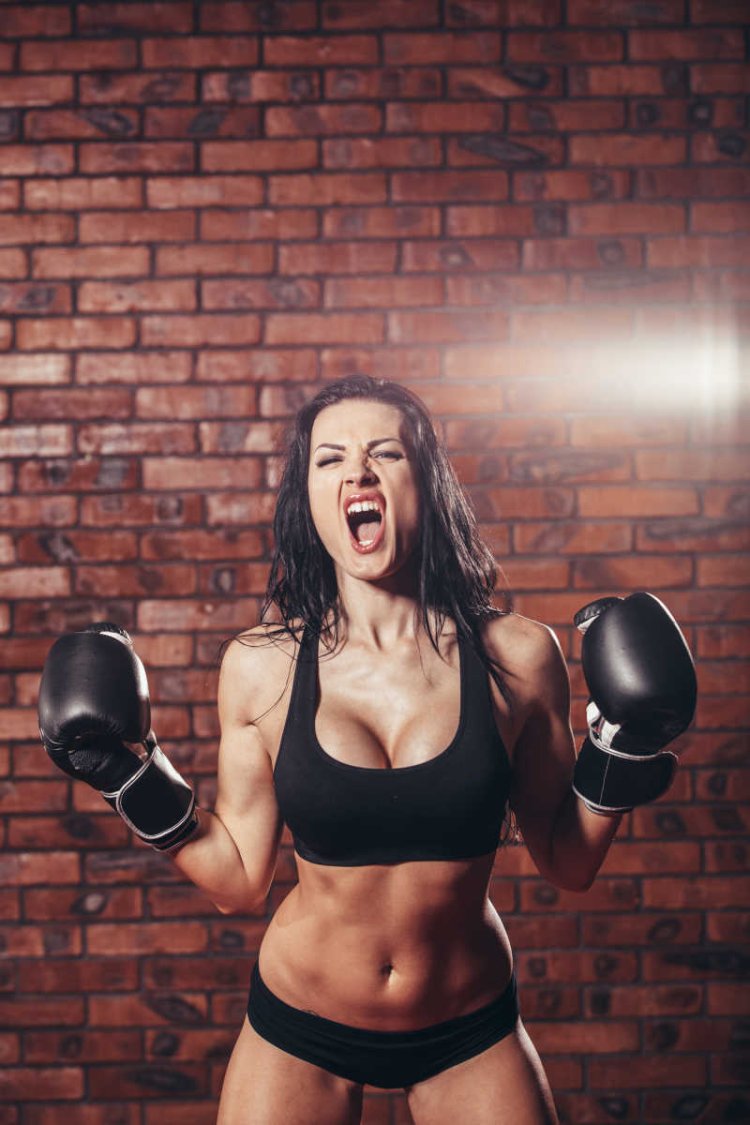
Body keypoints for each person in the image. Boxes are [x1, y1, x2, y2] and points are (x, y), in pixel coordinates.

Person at [37, 375, 697, 1124]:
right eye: (331, 459)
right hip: (301, 1024)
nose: (358, 473)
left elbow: (569, 862)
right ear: (311, 500)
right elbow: (240, 881)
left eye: (386, 453)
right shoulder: (262, 667)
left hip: (467, 1026)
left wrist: (621, 753)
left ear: (428, 484)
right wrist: (129, 777)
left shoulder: (518, 655)